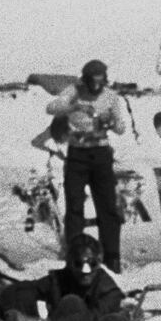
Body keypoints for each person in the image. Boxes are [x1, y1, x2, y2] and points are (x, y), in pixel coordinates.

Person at [46, 59, 126, 273]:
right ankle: (75, 254)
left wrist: (111, 121)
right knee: (74, 206)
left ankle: (112, 256)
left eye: (100, 82)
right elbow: (51, 108)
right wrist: (72, 106)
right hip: (77, 154)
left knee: (107, 207)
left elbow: (121, 128)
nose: (96, 87)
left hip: (100, 153)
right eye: (92, 82)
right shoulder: (74, 91)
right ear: (86, 80)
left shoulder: (110, 96)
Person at [0, 234, 127, 321]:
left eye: (92, 264)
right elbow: (17, 289)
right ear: (69, 262)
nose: (86, 271)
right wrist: (15, 317)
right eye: (79, 263)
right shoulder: (61, 278)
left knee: (71, 303)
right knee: (24, 297)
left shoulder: (109, 290)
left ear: (99, 262)